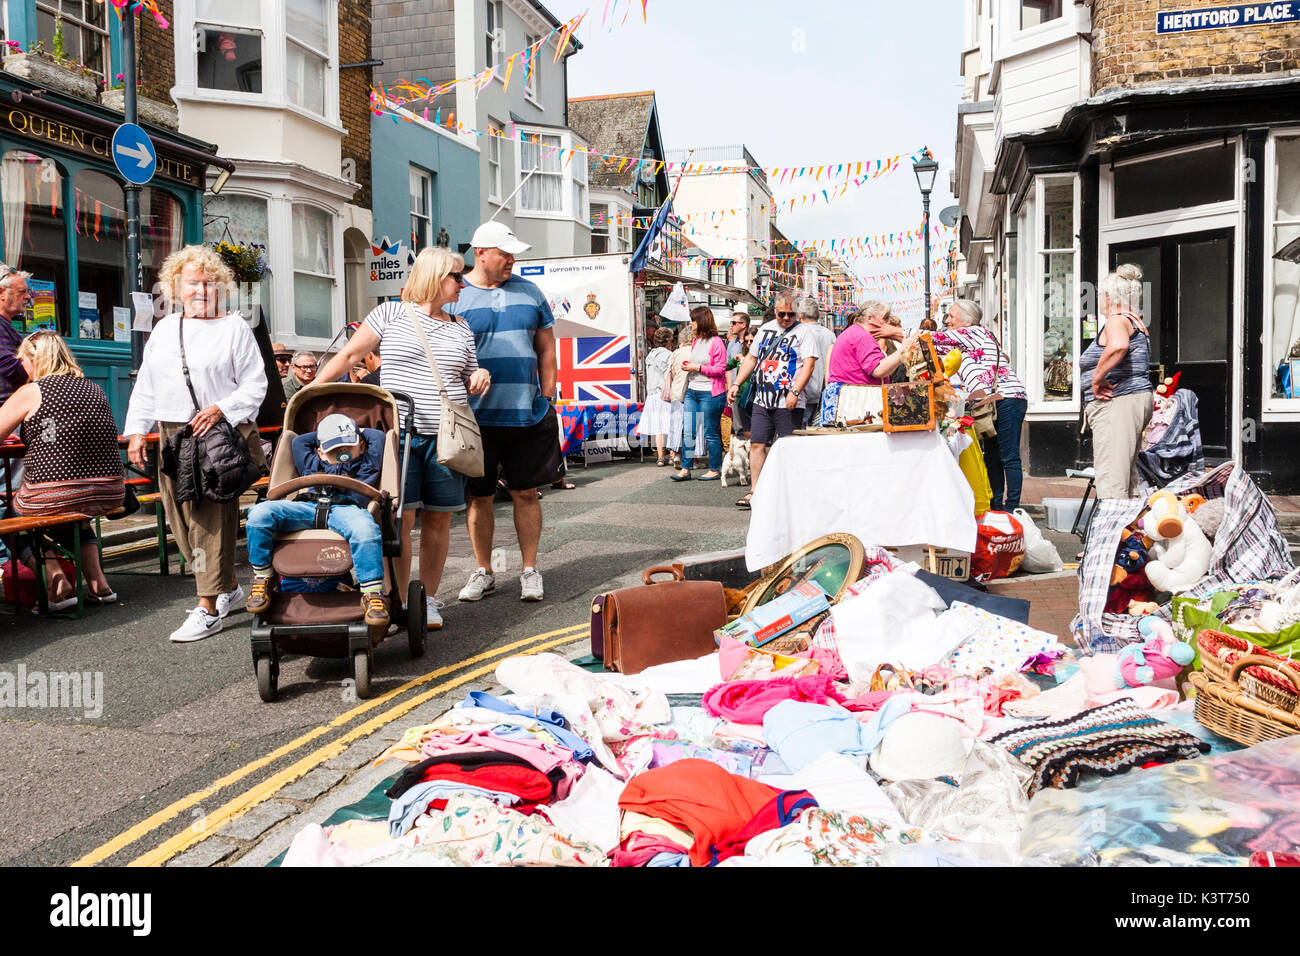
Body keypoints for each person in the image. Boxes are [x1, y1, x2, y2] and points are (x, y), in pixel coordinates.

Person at [317, 246, 490, 629]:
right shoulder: (390, 314)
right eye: (455, 276)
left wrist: (482, 377)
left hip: (447, 437)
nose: (462, 283)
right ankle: (395, 600)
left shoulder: (461, 326)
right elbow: (348, 357)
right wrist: (311, 390)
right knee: (400, 519)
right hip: (399, 437)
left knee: (439, 521)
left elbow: (471, 374)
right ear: (432, 277)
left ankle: (426, 600)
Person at [125, 245, 268, 643]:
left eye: (208, 283)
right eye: (192, 283)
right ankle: (226, 587)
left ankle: (207, 607)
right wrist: (137, 430)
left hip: (215, 432)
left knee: (207, 519)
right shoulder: (166, 329)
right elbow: (147, 384)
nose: (200, 290)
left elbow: (257, 385)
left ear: (220, 287)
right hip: (172, 434)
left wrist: (221, 409)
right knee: (179, 517)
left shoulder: (235, 327)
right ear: (175, 287)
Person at [447, 221, 561, 604]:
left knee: (526, 492)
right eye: (505, 253)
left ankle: (530, 570)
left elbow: (546, 348)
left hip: (526, 413)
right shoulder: (455, 295)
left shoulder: (530, 292)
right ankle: (484, 571)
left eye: (513, 254)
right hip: (474, 418)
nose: (512, 260)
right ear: (480, 253)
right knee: (478, 498)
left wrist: (548, 395)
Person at [0, 331, 123, 608]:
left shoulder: (32, 391)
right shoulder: (93, 387)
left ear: (35, 360)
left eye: (23, 361)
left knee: (11, 518)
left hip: (57, 494)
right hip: (110, 490)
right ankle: (99, 585)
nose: (22, 368)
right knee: (76, 513)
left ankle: (56, 581)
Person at [245, 413, 389, 627]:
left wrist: (353, 432)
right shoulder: (313, 462)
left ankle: (372, 593)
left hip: (347, 509)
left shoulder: (366, 463)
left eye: (348, 448)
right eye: (334, 450)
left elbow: (377, 436)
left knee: (366, 529)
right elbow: (299, 441)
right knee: (258, 514)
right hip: (308, 506)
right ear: (320, 452)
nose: (342, 454)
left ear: (360, 445)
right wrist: (327, 436)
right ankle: (263, 576)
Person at [925, 298, 1029, 511]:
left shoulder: (974, 332)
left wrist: (898, 333)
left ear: (966, 321)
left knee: (1008, 455)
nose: (947, 320)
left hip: (1008, 397)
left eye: (952, 316)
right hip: (987, 403)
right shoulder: (964, 343)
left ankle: (1012, 508)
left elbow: (933, 338)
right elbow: (934, 350)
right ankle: (996, 506)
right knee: (992, 457)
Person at [727, 292, 817, 509]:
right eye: (782, 314)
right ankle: (754, 491)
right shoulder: (765, 330)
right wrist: (737, 383)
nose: (786, 318)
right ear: (775, 311)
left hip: (788, 399)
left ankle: (790, 491)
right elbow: (751, 358)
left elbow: (809, 364)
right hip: (762, 398)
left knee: (788, 446)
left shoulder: (804, 332)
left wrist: (795, 392)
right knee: (757, 444)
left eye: (791, 314)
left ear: (798, 313)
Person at [1079, 264, 1154, 500]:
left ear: (1109, 297)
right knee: (1125, 476)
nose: (1099, 300)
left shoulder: (1117, 320)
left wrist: (1096, 378)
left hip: (1117, 403)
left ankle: (1110, 533)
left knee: (1112, 478)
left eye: (1100, 295)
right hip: (1132, 400)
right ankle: (1127, 534)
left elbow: (1118, 346)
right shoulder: (1135, 321)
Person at [671, 305, 727, 482]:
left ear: (702, 321)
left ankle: (715, 468)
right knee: (688, 431)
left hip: (710, 392)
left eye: (693, 320)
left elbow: (720, 369)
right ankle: (686, 468)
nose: (691, 322)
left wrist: (697, 367)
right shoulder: (696, 341)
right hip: (693, 391)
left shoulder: (716, 342)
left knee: (710, 431)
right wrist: (690, 366)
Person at [0, 266, 33, 503]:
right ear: (2, 293)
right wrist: (39, 370)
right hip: (7, 416)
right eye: (22, 291)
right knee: (7, 489)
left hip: (11, 414)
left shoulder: (6, 326)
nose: (28, 296)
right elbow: (8, 366)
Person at [828, 301, 918, 387]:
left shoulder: (854, 331)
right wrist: (903, 350)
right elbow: (878, 369)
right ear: (870, 318)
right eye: (885, 318)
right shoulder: (862, 336)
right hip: (855, 396)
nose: (888, 322)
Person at [797, 296, 838, 427]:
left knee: (800, 431)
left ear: (799, 315)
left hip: (802, 390)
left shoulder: (798, 333)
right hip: (823, 391)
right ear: (818, 314)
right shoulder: (830, 335)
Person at [640, 327, 675, 465]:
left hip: (652, 394)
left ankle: (660, 457)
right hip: (665, 393)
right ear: (667, 341)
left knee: (658, 426)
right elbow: (670, 375)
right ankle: (672, 455)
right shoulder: (669, 355)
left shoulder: (650, 355)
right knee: (671, 424)